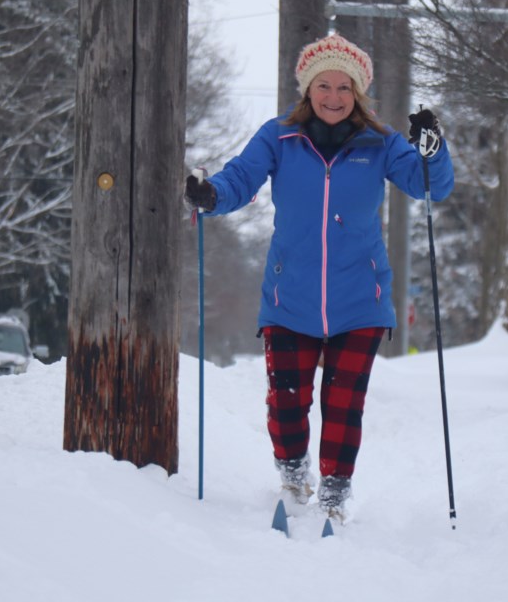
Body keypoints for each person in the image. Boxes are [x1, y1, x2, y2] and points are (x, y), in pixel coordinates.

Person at [185, 33, 454, 524]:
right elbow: (240, 179)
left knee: (343, 404)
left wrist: (432, 151)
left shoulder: (381, 143)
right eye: (323, 86)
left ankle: (333, 494)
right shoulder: (279, 137)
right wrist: (211, 195)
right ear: (307, 90)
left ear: (359, 93)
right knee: (286, 404)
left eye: (344, 87)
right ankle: (292, 476)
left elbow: (427, 184)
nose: (333, 97)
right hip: (291, 298)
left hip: (361, 299)